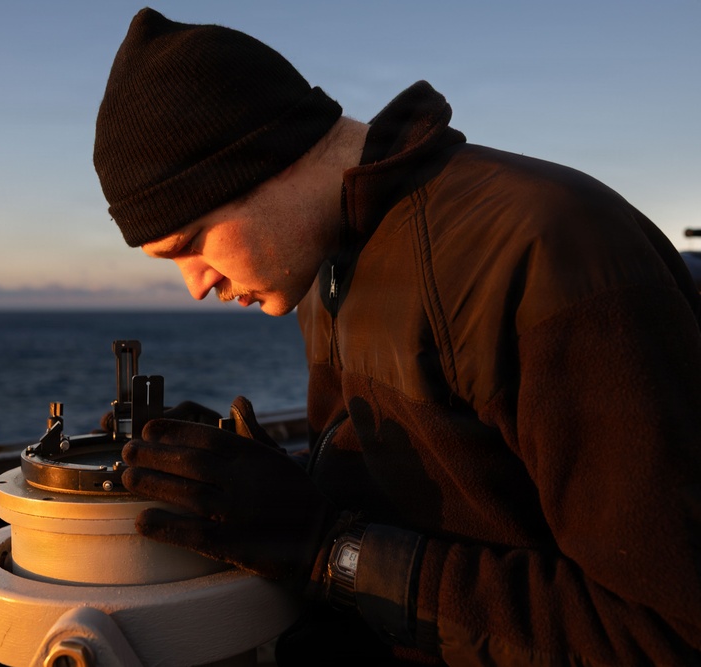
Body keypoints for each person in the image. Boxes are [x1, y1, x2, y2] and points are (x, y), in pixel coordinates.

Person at [93, 8, 701, 665]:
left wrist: (329, 550)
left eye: (190, 244)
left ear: (259, 160)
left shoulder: (548, 251)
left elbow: (666, 631)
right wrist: (260, 485)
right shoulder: (329, 268)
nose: (195, 285)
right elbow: (450, 500)